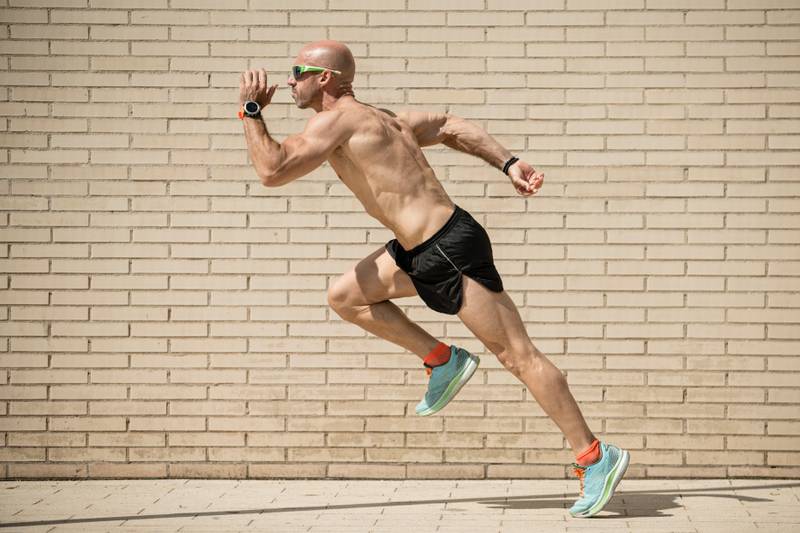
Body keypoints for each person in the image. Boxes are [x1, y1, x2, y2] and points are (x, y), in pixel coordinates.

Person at [238, 40, 629, 517]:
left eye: (298, 71)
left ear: (326, 78)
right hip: (418, 248)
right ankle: (442, 359)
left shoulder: (336, 121)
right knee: (346, 296)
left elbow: (272, 169)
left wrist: (252, 109)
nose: (289, 80)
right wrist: (509, 162)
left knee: (518, 356)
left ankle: (594, 456)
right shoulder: (384, 118)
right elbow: (448, 125)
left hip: (447, 248)